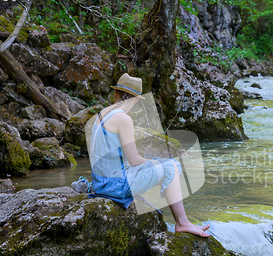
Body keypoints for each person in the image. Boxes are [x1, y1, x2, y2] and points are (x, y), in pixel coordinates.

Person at [88, 73, 210, 238]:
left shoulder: (103, 113)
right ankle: (182, 222)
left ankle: (181, 218)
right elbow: (134, 160)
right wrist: (155, 163)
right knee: (171, 166)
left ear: (115, 94)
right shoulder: (123, 119)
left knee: (166, 165)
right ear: (137, 99)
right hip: (113, 186)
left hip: (100, 182)